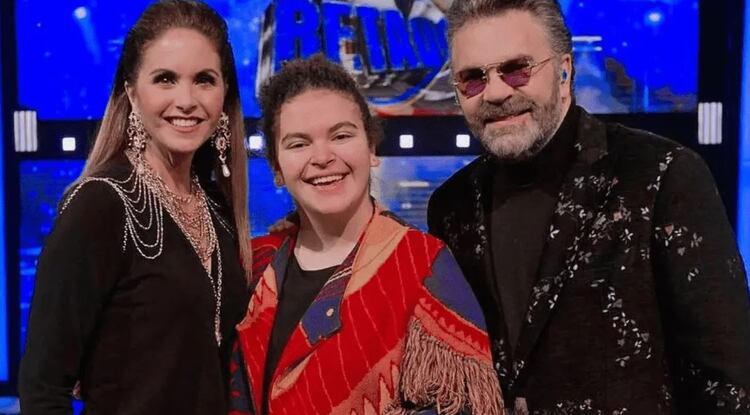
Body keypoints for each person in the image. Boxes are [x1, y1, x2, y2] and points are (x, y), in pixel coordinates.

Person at [427, 0, 750, 413]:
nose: (495, 93)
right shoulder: (450, 206)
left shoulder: (660, 174)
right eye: (473, 78)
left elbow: (727, 378)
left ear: (564, 71)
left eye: (517, 69)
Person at [228, 54, 504, 415]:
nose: (322, 156)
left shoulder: (421, 263)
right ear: (277, 168)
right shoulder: (253, 263)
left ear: (371, 148)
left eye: (341, 135)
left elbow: (465, 406)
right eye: (298, 143)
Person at [18, 1, 251, 413]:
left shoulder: (218, 207)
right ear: (131, 91)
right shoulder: (100, 204)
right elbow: (43, 388)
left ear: (224, 92)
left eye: (204, 80)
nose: (186, 100)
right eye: (165, 79)